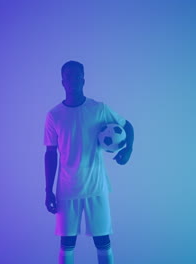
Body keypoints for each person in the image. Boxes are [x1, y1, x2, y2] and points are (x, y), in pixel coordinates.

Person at [43, 60, 134, 264]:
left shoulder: (98, 109)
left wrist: (128, 149)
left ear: (83, 79)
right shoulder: (54, 115)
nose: (72, 80)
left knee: (102, 240)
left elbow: (127, 125)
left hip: (96, 186)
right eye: (68, 76)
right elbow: (50, 153)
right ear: (62, 82)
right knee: (67, 242)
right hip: (67, 188)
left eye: (77, 75)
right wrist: (48, 190)